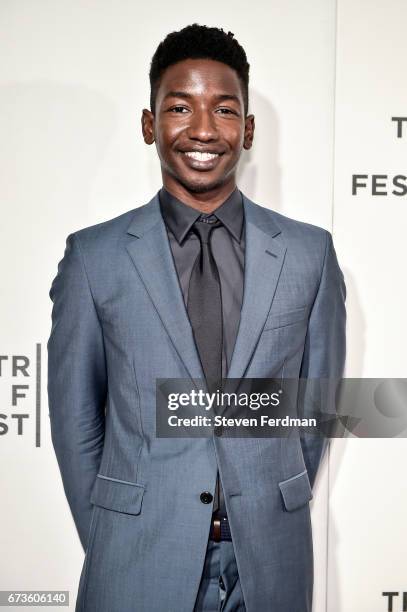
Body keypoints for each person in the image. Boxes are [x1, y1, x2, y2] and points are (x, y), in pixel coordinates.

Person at [47, 23, 346, 612]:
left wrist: (267, 500)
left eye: (225, 109)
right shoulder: (95, 257)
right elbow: (74, 421)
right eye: (180, 107)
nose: (204, 130)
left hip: (269, 558)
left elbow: (317, 407)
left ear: (249, 130)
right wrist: (119, 531)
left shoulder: (309, 254)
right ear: (149, 124)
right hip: (137, 556)